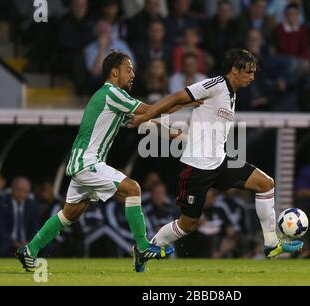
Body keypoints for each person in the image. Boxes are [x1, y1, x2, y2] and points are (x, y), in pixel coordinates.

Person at [16, 50, 201, 273]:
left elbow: (146, 123)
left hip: (83, 162)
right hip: (88, 162)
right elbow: (151, 110)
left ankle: (30, 250)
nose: (133, 74)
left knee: (70, 213)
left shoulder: (112, 98)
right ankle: (142, 246)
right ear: (115, 73)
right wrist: (187, 100)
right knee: (133, 189)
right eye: (128, 69)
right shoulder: (111, 93)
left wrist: (181, 135)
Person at [130, 49, 304, 264]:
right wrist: (146, 118)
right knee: (188, 225)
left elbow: (183, 132)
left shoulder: (231, 94)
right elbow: (176, 97)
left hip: (219, 162)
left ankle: (271, 243)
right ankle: (146, 250)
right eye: (249, 72)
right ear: (234, 70)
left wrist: (151, 124)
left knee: (266, 184)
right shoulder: (215, 86)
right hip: (196, 169)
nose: (252, 77)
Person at [0, 177, 40, 258]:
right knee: (1, 244)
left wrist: (29, 242)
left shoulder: (32, 205)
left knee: (43, 244)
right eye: (18, 190)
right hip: (7, 242)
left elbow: (35, 228)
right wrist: (14, 242)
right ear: (12, 189)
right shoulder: (1, 203)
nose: (21, 194)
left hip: (27, 243)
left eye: (25, 191)